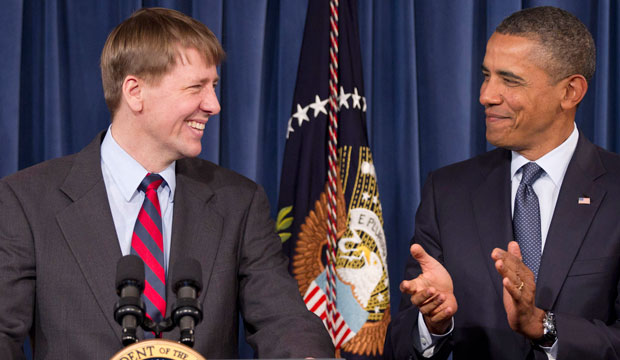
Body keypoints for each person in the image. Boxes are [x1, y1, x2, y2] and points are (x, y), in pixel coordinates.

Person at [0, 7, 334, 359]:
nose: (214, 105)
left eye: (214, 86)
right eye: (196, 87)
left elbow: (282, 320)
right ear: (135, 92)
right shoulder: (27, 201)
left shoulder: (239, 202)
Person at [385, 6, 620, 360]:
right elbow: (399, 346)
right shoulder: (447, 191)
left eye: (509, 80)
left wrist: (545, 327)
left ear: (570, 92)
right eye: (486, 75)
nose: (486, 95)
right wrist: (432, 324)